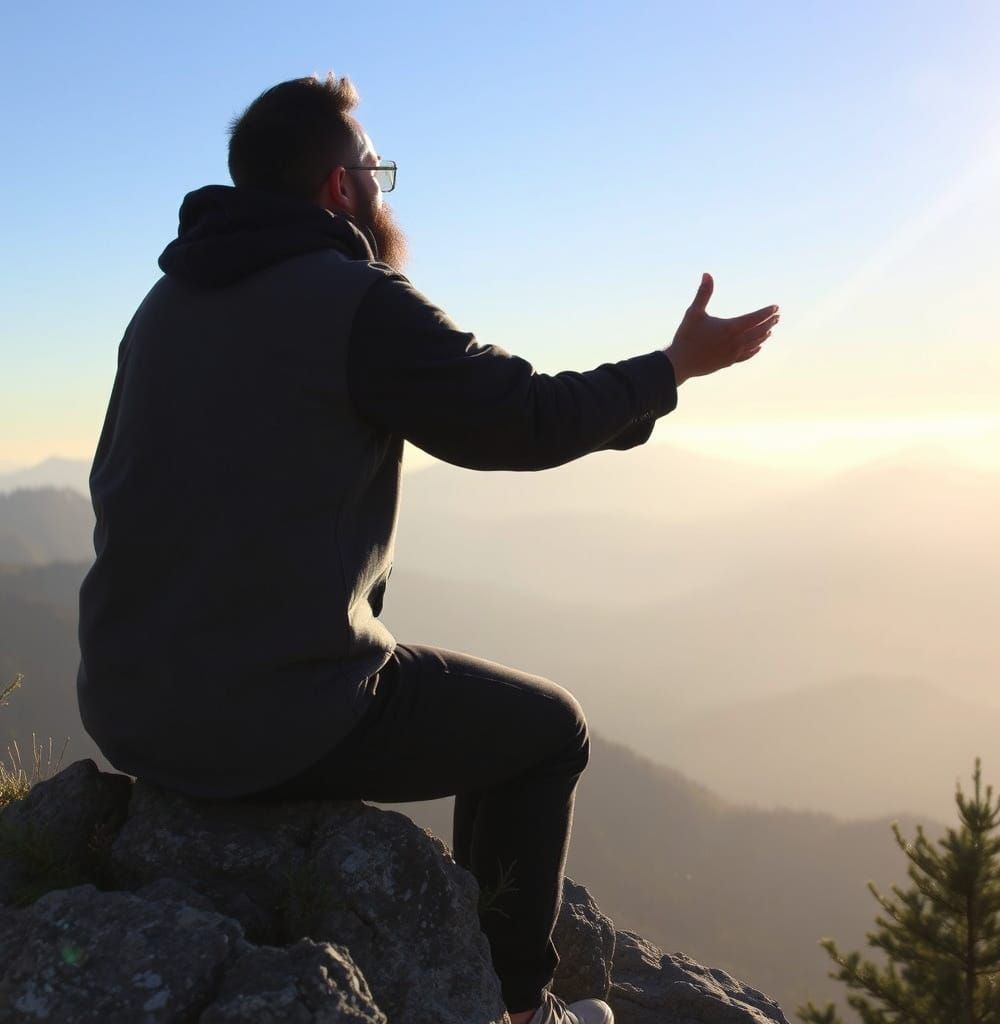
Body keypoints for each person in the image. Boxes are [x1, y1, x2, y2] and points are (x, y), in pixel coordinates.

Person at [76, 73, 779, 1024]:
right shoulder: (354, 301)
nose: (385, 191)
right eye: (378, 171)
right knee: (547, 732)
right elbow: (521, 419)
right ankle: (516, 1008)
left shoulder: (161, 306)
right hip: (266, 719)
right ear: (340, 189)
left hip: (125, 706)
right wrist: (670, 370)